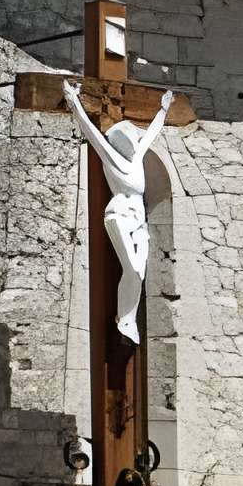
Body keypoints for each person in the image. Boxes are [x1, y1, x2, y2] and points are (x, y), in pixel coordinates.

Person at [64, 79, 171, 343]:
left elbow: (152, 132)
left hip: (139, 221)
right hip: (119, 217)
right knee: (131, 269)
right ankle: (123, 320)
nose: (135, 141)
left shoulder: (137, 157)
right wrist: (73, 100)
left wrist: (164, 109)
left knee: (140, 272)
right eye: (130, 138)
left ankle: (129, 319)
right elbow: (90, 131)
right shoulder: (111, 157)